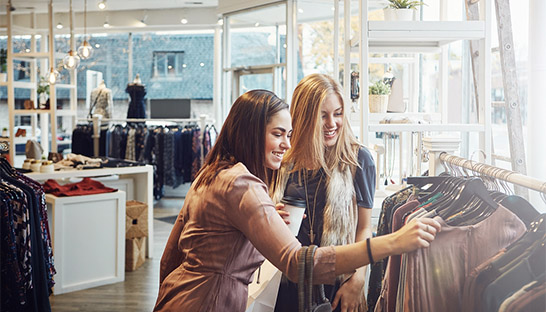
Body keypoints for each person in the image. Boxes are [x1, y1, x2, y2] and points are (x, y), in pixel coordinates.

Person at [154, 89, 441, 311]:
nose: (287, 144)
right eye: (278, 134)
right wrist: (393, 242)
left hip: (179, 296)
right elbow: (297, 262)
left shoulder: (213, 172)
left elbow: (171, 255)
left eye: (288, 134)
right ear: (250, 135)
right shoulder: (243, 184)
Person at [271, 73, 374, 312]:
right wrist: (270, 214)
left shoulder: (357, 160)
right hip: (286, 284)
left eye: (338, 114)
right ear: (304, 117)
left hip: (339, 284)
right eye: (322, 115)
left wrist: (358, 280)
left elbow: (364, 228)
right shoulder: (283, 162)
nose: (332, 124)